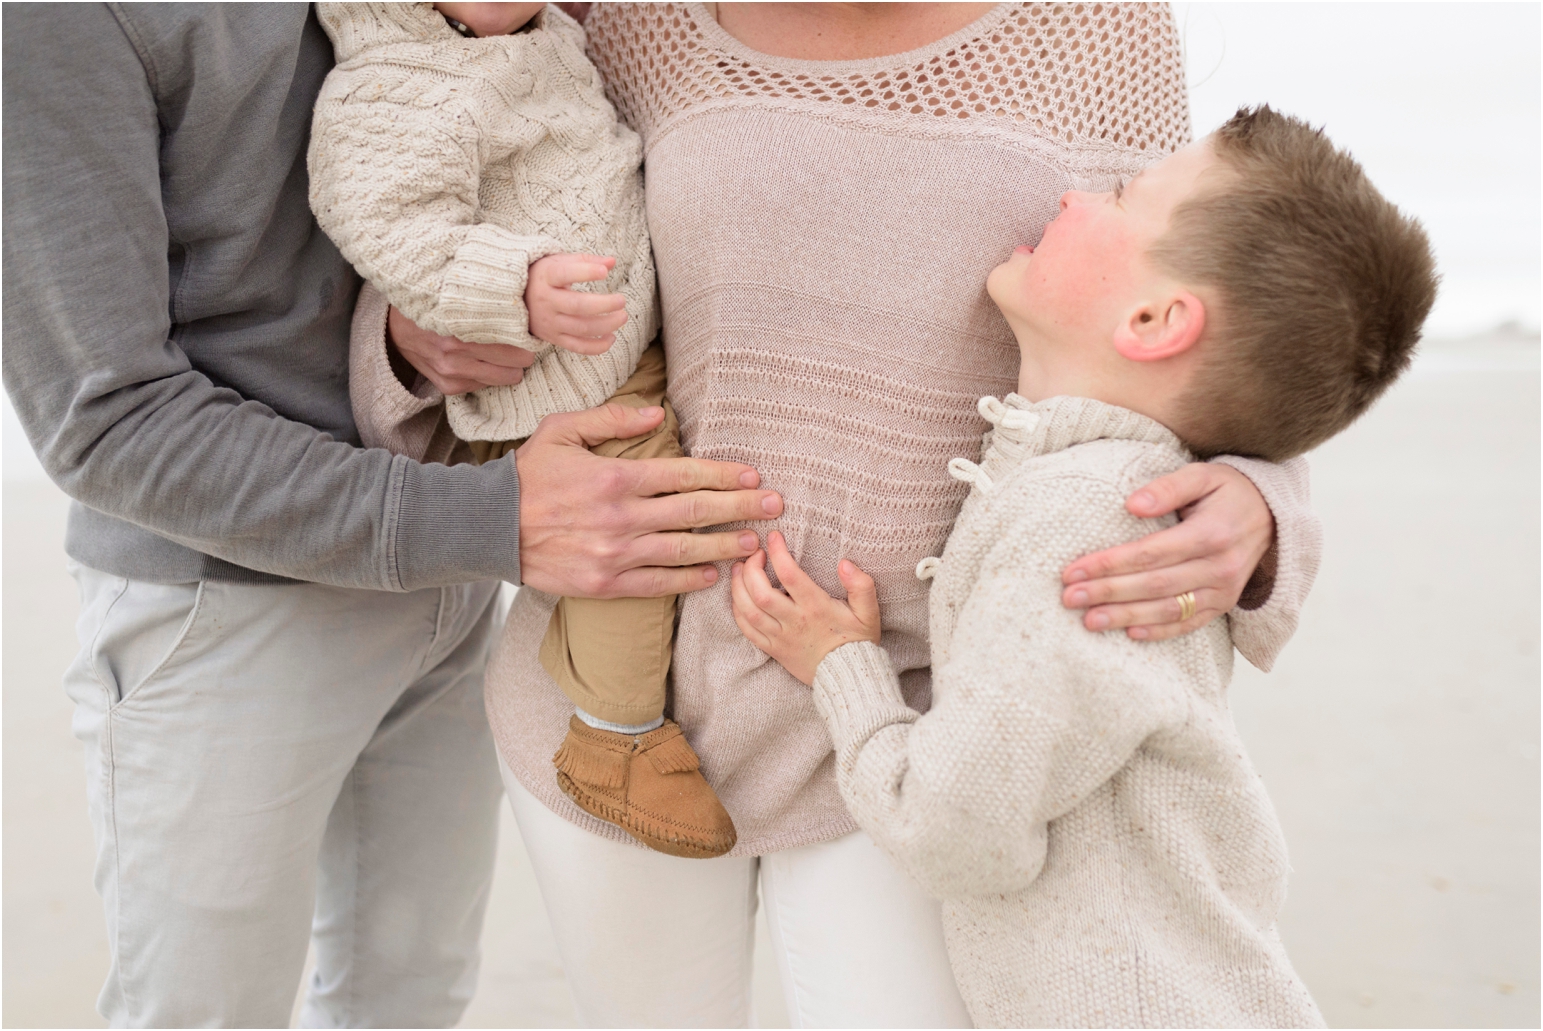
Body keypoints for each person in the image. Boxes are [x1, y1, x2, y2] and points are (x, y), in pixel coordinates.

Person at [361, 4, 1324, 1025]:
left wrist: (1267, 503)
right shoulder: (632, 15)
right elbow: (442, 200)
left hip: (915, 723)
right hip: (617, 707)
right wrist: (409, 347)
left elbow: (1208, 302)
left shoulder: (1096, 26)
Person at [0, 4, 774, 1026]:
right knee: (201, 1014)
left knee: (407, 1001)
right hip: (227, 616)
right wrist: (482, 520)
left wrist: (416, 338)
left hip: (439, 587)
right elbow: (103, 419)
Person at [731, 105, 1436, 1028]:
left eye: (1117, 195)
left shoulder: (1080, 523)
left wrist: (841, 667)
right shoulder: (1097, 485)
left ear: (1150, 319)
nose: (1070, 193)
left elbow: (955, 834)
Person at [310, 0, 735, 858]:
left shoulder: (546, 35)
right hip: (548, 375)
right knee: (639, 514)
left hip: (612, 338)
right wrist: (516, 285)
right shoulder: (389, 85)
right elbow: (387, 222)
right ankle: (614, 736)